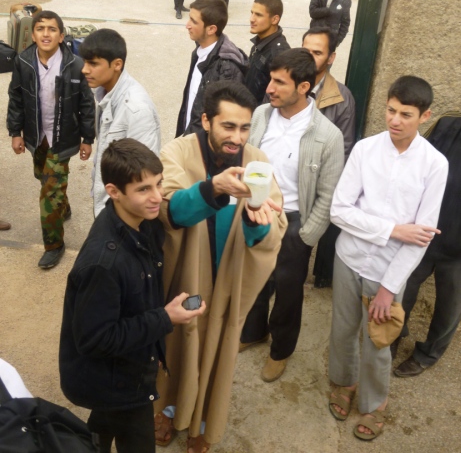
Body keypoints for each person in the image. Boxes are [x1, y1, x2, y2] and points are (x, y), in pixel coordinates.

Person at [155, 81, 287, 453]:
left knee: (216, 352)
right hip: (186, 276)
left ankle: (202, 423)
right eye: (228, 126)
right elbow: (169, 210)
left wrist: (256, 221)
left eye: (245, 128)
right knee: (175, 348)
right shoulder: (177, 152)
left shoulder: (257, 161)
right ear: (206, 121)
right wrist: (214, 187)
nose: (237, 138)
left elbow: (272, 229)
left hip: (229, 280)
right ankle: (167, 411)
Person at [59, 138, 206, 453]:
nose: (157, 197)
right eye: (143, 189)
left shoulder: (141, 223)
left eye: (159, 184)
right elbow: (95, 339)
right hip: (120, 382)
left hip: (121, 372)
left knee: (101, 428)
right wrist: (165, 318)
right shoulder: (103, 264)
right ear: (114, 191)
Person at [328, 76, 448, 441]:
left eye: (405, 114)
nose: (394, 120)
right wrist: (394, 229)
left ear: (425, 116)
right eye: (390, 110)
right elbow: (339, 211)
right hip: (349, 257)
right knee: (343, 328)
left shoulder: (435, 164)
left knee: (379, 339)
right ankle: (345, 383)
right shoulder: (365, 149)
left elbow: (420, 238)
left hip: (388, 269)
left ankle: (375, 402)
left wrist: (388, 288)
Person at [240, 48, 344, 381]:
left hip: (294, 222)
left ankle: (280, 350)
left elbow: (329, 194)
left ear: (303, 87)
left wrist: (305, 236)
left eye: (279, 82)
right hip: (255, 211)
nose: (269, 88)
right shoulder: (260, 115)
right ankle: (253, 332)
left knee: (287, 292)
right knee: (253, 280)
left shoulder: (328, 136)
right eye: (271, 79)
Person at [7, 10, 95, 269]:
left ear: (61, 35)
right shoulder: (23, 62)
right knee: (42, 177)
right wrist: (15, 133)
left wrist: (87, 138)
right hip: (37, 136)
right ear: (32, 35)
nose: (46, 34)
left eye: (52, 29)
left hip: (63, 138)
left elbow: (86, 104)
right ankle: (63, 208)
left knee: (49, 193)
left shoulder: (75, 64)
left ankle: (54, 245)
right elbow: (16, 98)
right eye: (40, 28)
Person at [392, 112, 461, 377]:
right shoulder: (448, 124)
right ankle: (393, 335)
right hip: (424, 234)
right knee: (403, 290)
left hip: (457, 253)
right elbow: (418, 164)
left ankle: (427, 354)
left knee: (449, 307)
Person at [79, 28, 161, 217]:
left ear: (117, 64)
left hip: (123, 214)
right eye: (85, 62)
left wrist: (117, 220)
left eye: (93, 63)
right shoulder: (106, 93)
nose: (85, 69)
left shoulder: (136, 110)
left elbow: (143, 175)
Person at [302, 26, 356, 288]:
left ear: (331, 57)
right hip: (280, 187)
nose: (309, 58)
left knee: (296, 260)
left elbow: (342, 152)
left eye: (317, 53)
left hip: (313, 188)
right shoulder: (282, 85)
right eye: (305, 51)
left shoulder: (342, 99)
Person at [175, 0, 248, 137]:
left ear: (211, 29)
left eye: (193, 21)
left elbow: (223, 124)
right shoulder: (200, 51)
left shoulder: (227, 69)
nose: (187, 25)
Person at [244, 0, 290, 104]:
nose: (251, 19)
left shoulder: (279, 54)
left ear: (274, 19)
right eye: (252, 13)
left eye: (258, 15)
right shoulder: (260, 42)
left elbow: (277, 97)